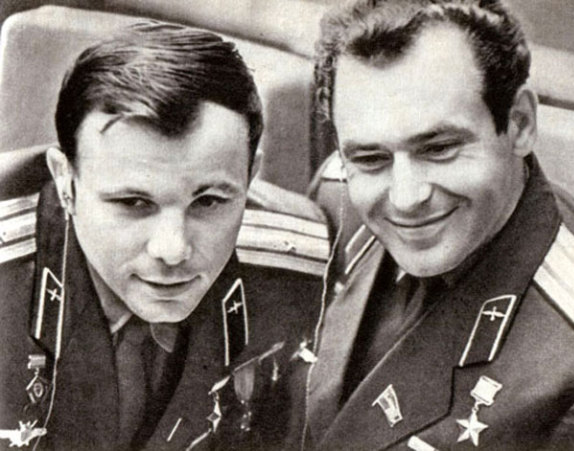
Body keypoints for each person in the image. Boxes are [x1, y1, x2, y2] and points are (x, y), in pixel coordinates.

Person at [276, 1, 574, 450]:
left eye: (439, 148)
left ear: (520, 124)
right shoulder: (339, 194)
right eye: (371, 158)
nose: (405, 197)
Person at [0, 23, 328, 450]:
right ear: (66, 182)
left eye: (209, 201)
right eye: (133, 203)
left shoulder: (304, 266)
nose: (173, 250)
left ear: (250, 176)